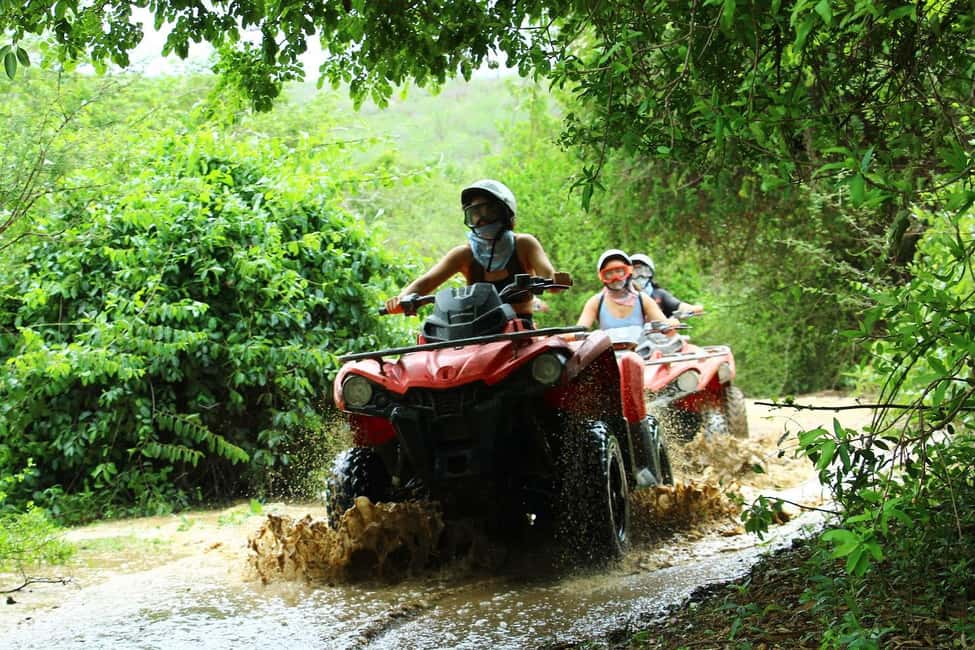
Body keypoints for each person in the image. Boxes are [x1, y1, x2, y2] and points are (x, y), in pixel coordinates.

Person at [383, 179, 564, 327]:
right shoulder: (464, 254)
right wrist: (402, 299)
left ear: (506, 214)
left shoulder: (524, 244)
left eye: (489, 211)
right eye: (475, 213)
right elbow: (426, 281)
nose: (482, 219)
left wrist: (553, 281)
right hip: (477, 332)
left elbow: (549, 277)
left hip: (520, 330)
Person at [576, 249, 679, 330]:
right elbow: (579, 331)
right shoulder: (596, 302)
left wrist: (671, 323)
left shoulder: (642, 299)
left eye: (619, 271)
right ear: (602, 277)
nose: (615, 278)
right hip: (608, 351)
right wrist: (569, 336)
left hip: (640, 350)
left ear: (629, 272)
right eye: (609, 273)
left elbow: (663, 325)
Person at [630, 253, 703, 318]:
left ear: (651, 274)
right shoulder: (625, 296)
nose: (639, 276)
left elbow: (679, 306)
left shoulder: (659, 294)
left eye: (644, 271)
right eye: (635, 272)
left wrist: (691, 309)